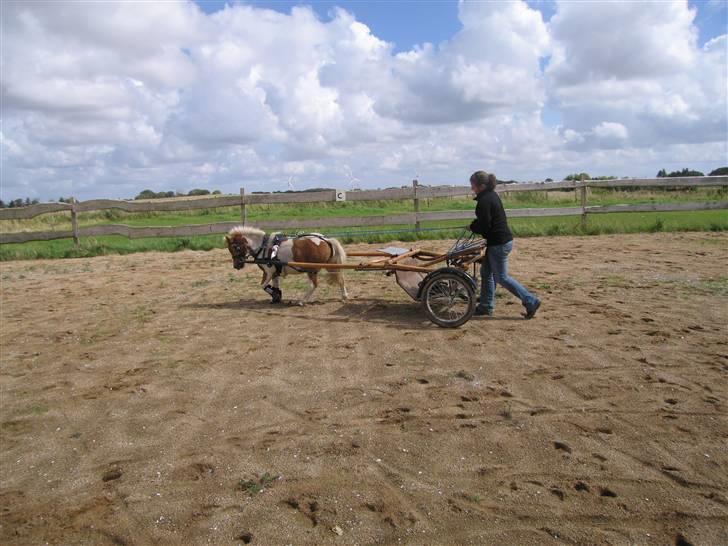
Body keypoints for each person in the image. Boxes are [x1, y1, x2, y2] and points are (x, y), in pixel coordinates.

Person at [468, 170, 541, 319]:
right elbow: (487, 220)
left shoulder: (484, 201)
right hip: (500, 241)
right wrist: (475, 224)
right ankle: (486, 306)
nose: (472, 188)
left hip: (498, 243)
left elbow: (485, 226)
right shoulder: (491, 196)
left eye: (473, 185)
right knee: (486, 273)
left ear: (481, 185)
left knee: (501, 277)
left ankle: (530, 301)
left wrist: (473, 227)